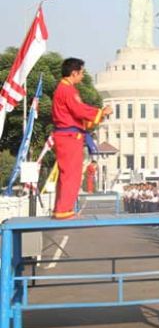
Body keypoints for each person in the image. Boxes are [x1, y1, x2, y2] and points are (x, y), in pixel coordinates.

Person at [51, 58, 112, 219]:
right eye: (81, 72)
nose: (83, 76)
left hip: (68, 134)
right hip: (69, 136)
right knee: (72, 173)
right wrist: (101, 112)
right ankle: (64, 211)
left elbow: (76, 115)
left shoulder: (64, 89)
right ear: (74, 73)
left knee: (67, 173)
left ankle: (61, 209)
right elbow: (79, 110)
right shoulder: (68, 90)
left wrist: (97, 117)